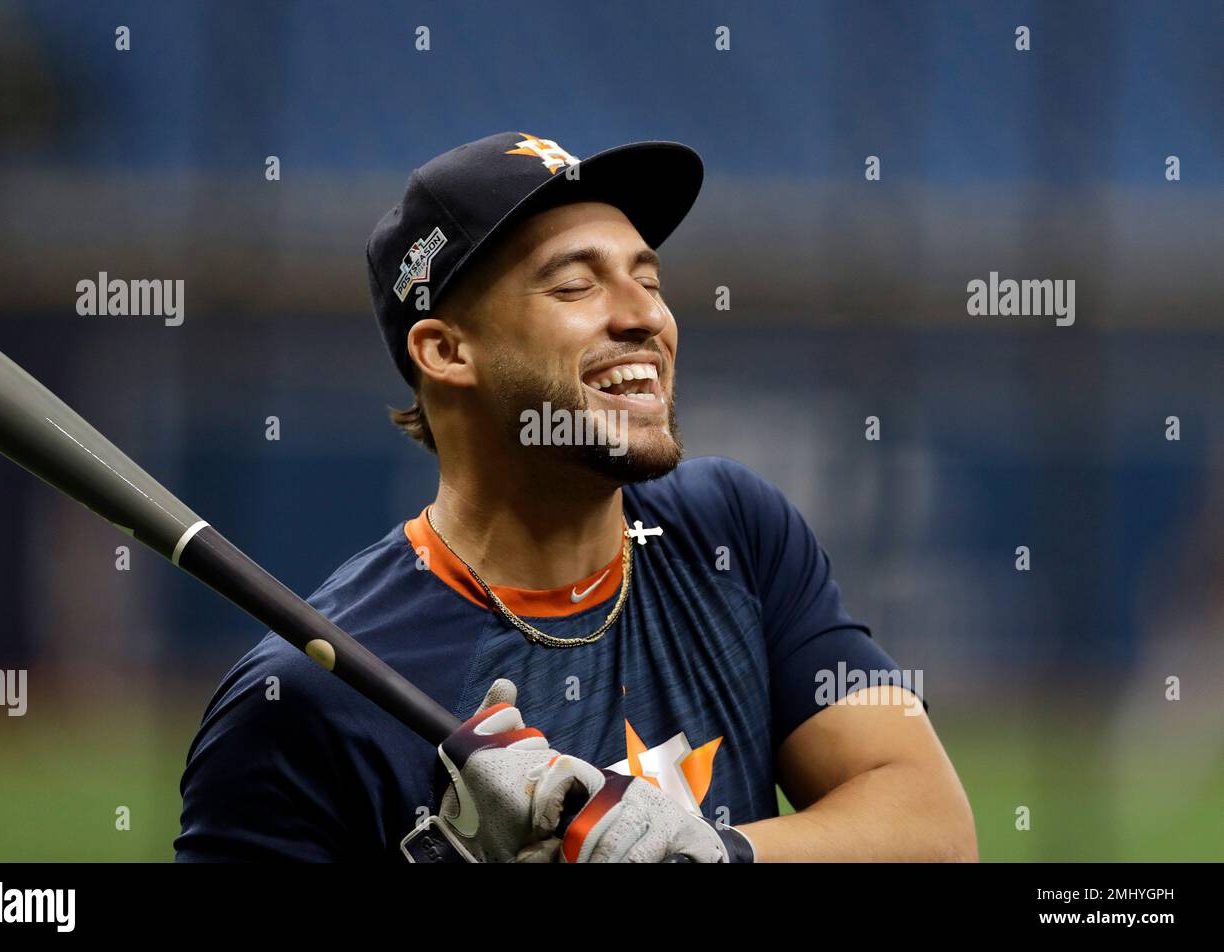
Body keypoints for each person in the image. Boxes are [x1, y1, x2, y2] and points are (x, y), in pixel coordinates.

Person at [175, 132, 977, 863]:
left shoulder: (730, 530)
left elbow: (934, 833)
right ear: (447, 350)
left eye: (648, 277)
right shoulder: (307, 694)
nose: (645, 318)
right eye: (575, 286)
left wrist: (710, 857)